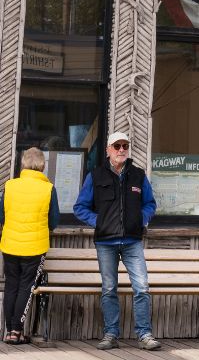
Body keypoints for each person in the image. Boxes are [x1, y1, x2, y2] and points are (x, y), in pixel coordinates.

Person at [74, 130, 160, 351]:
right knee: (109, 288)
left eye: (125, 146)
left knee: (141, 287)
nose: (122, 150)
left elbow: (150, 204)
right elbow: (80, 207)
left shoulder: (138, 175)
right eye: (117, 146)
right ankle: (111, 334)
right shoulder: (95, 175)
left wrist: (141, 218)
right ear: (108, 150)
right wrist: (99, 221)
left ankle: (144, 335)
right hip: (106, 242)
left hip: (132, 241)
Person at [0, 147, 60, 344]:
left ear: (23, 164)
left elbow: (1, 216)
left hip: (10, 245)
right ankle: (17, 331)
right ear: (42, 165)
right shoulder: (49, 189)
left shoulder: (9, 186)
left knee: (11, 286)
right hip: (35, 247)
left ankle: (9, 331)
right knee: (26, 287)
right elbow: (54, 221)